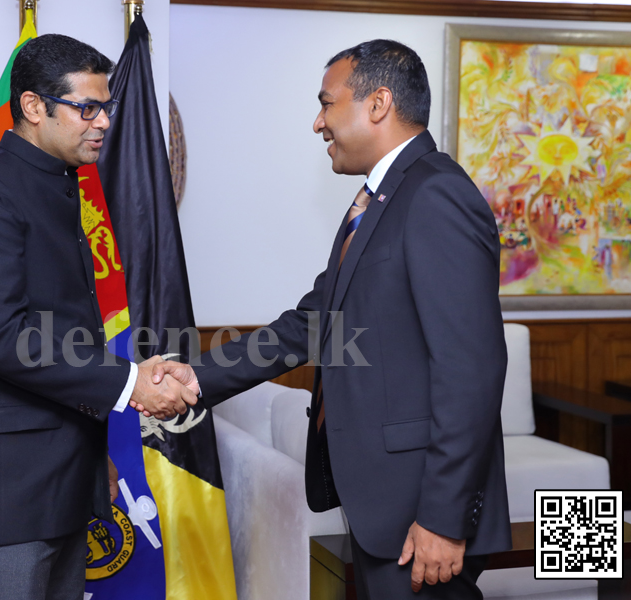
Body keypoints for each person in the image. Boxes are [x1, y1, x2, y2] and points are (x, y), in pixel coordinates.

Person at [148, 39, 511, 599]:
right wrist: (197, 378)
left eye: (327, 103)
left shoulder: (436, 194)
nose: (318, 122)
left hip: (421, 516)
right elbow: (312, 324)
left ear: (378, 103)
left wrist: (443, 517)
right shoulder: (379, 200)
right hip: (381, 508)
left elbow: (473, 371)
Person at [0, 34, 196, 600]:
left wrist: (94, 466)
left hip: (61, 486)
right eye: (87, 108)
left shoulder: (58, 185)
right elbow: (3, 337)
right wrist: (131, 381)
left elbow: (65, 337)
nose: (103, 122)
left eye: (107, 107)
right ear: (34, 107)